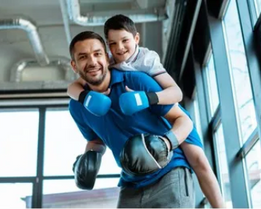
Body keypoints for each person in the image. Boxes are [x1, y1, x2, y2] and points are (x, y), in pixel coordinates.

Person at [68, 31, 224, 208]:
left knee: (199, 161)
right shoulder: (77, 107)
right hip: (130, 183)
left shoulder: (137, 81)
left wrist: (166, 143)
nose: (92, 62)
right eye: (83, 57)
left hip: (169, 171)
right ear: (74, 65)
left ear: (107, 56)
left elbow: (183, 120)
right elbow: (95, 140)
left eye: (97, 54)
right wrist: (89, 158)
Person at [67, 14, 183, 117]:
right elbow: (73, 87)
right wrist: (86, 97)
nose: (120, 48)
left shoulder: (147, 59)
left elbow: (177, 93)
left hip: (169, 109)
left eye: (125, 40)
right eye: (113, 43)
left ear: (136, 38)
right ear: (108, 45)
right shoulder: (109, 62)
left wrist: (146, 98)